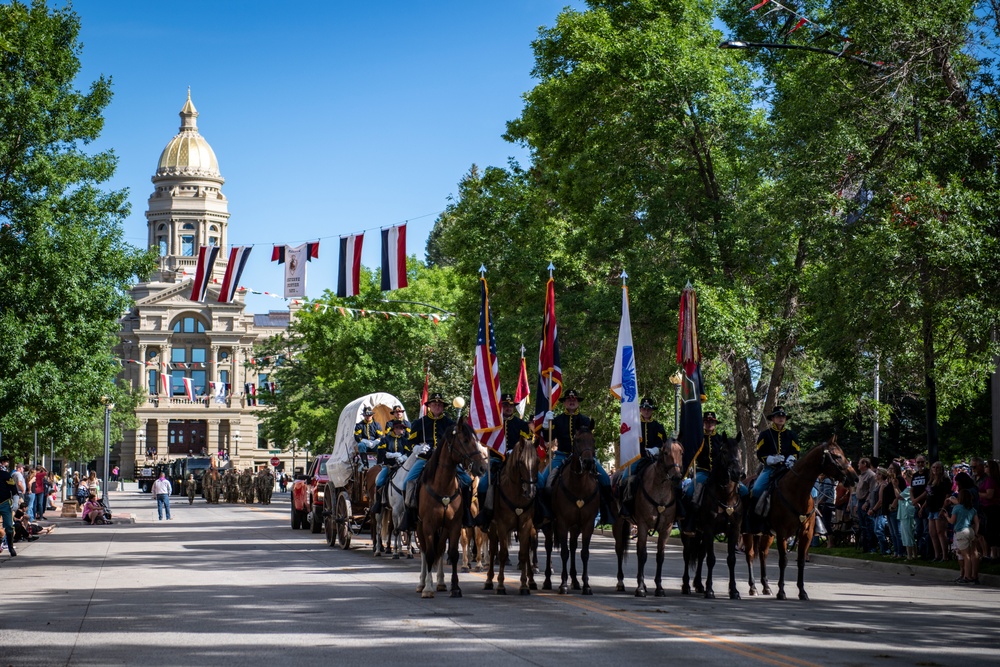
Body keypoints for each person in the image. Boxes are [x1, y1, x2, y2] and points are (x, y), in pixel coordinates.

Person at [537, 389, 613, 524]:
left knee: (605, 479)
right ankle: (543, 512)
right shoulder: (558, 419)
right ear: (564, 403)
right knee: (542, 480)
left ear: (578, 402)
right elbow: (549, 438)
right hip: (562, 456)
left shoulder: (585, 420)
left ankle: (607, 512)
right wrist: (546, 426)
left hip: (584, 457)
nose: (571, 402)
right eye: (568, 400)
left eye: (574, 399)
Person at [403, 392, 464, 527]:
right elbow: (410, 442)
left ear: (443, 407)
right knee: (407, 482)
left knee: (467, 481)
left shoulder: (450, 424)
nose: (437, 406)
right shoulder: (420, 423)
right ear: (429, 405)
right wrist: (417, 448)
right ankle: (409, 515)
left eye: (440, 404)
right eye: (434, 404)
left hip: (447, 462)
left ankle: (466, 514)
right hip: (425, 459)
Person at [477, 393, 532, 526]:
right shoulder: (493, 423)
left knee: (540, 481)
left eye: (511, 405)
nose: (508, 408)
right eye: (505, 405)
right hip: (496, 461)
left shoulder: (521, 424)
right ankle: (484, 516)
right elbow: (484, 442)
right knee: (483, 485)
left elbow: (528, 444)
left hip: (518, 463)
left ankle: (540, 514)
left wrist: (516, 451)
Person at [681, 410, 725, 534]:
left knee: (741, 490)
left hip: (719, 475)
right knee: (690, 492)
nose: (709, 424)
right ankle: (689, 521)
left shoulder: (721, 439)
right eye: (706, 421)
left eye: (712, 421)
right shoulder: (698, 438)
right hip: (703, 472)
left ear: (715, 423)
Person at [749, 406, 800, 513]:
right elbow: (760, 453)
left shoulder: (792, 435)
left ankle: (815, 516)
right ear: (773, 418)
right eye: (778, 416)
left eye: (783, 416)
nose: (781, 418)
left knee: (812, 490)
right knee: (756, 490)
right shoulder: (765, 434)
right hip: (771, 469)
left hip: (788, 469)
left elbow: (795, 451)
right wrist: (770, 459)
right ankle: (752, 518)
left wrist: (791, 459)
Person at [371, 419, 412, 514]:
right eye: (400, 428)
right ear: (394, 429)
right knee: (380, 480)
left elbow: (409, 452)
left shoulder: (405, 441)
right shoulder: (385, 439)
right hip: (389, 466)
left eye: (402, 428)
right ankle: (378, 503)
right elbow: (380, 451)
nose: (402, 430)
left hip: (401, 466)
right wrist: (390, 455)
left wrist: (404, 457)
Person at [944, 488, 980, 584]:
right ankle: (974, 576)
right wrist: (975, 533)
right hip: (970, 530)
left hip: (961, 532)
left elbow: (952, 521)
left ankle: (967, 576)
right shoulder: (972, 509)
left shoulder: (957, 508)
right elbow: (977, 522)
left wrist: (946, 516)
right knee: (974, 554)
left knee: (966, 555)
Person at [925, 461, 951, 562]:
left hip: (939, 508)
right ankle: (937, 555)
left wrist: (943, 508)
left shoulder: (945, 480)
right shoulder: (931, 480)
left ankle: (945, 556)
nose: (935, 469)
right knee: (932, 533)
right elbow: (928, 494)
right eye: (933, 467)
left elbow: (947, 495)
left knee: (941, 532)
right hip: (931, 508)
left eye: (938, 468)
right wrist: (923, 506)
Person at [909, 455, 930, 557]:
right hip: (916, 506)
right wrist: (913, 500)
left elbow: (928, 490)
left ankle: (927, 553)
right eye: (918, 462)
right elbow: (912, 489)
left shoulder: (929, 474)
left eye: (922, 462)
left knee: (926, 530)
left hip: (926, 505)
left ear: (925, 463)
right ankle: (920, 552)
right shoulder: (915, 475)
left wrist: (918, 500)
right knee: (918, 530)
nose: (920, 464)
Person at [898, 468, 918, 560]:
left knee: (908, 535)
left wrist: (895, 487)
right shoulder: (908, 488)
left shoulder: (910, 489)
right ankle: (913, 554)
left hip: (907, 514)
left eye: (906, 478)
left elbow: (899, 496)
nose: (905, 480)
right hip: (904, 513)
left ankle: (910, 555)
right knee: (907, 534)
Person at [0, 455, 18, 557]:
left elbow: (13, 489)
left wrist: (15, 502)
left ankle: (10, 547)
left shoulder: (6, 475)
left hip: (4, 503)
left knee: (9, 526)